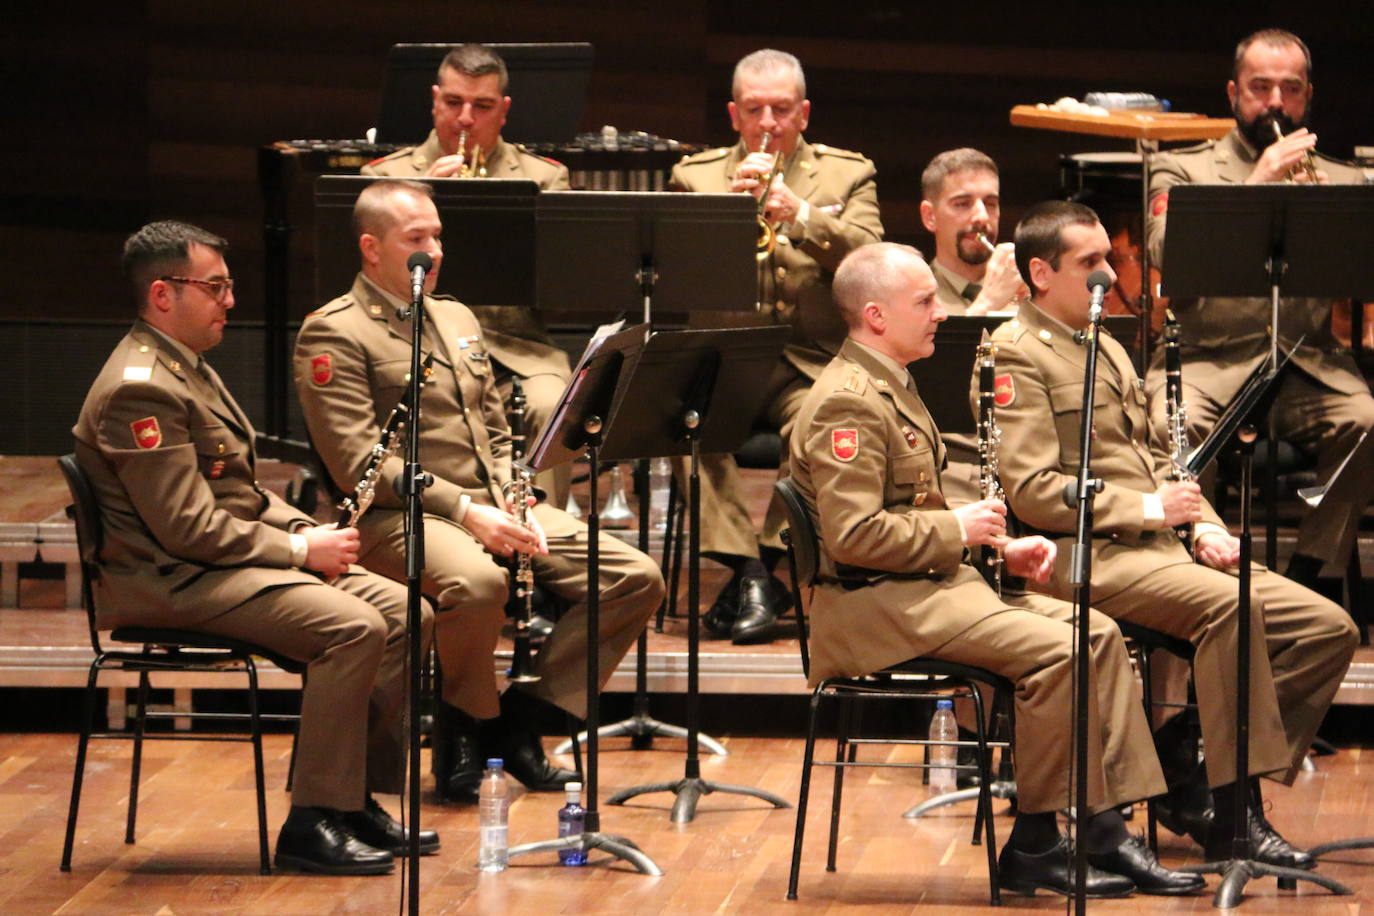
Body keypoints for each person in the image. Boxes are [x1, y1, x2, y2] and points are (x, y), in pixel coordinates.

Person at [790, 241, 1203, 897]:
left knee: (1094, 633)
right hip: (871, 606)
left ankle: (1100, 830)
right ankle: (1042, 839)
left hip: (919, 586)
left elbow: (909, 507)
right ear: (875, 315)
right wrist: (959, 528)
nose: (940, 315)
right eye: (924, 302)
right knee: (1059, 649)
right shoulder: (848, 402)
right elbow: (854, 537)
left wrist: (996, 545)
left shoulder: (887, 381)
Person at [986, 200, 1357, 868]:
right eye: (1089, 262)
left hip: (1161, 549)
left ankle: (1182, 750)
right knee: (1229, 608)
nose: (1109, 273)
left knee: (1328, 628)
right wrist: (1154, 512)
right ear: (1040, 272)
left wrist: (1206, 525)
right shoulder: (1013, 355)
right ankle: (1234, 814)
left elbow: (1162, 460)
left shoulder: (1106, 343)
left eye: (1108, 257)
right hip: (1084, 555)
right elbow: (1035, 491)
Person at [74, 221, 436, 875]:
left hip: (216, 562)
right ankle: (310, 823)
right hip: (169, 578)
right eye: (214, 287)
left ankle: (351, 800)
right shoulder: (139, 387)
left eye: (227, 285)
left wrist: (300, 529)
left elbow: (237, 491)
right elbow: (187, 530)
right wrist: (301, 555)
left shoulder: (186, 367)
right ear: (163, 294)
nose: (229, 301)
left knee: (408, 611)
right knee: (353, 626)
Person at [294, 180, 664, 804]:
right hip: (396, 517)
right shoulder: (334, 333)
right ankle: (468, 726)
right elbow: (362, 467)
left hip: (489, 502)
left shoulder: (456, 316)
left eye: (437, 237)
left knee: (633, 577)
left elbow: (494, 428)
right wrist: (469, 509)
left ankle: (525, 718)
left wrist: (513, 495)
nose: (434, 251)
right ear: (370, 248)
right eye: (417, 240)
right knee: (479, 582)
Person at [1145, 28, 1374, 590]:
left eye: (1290, 89)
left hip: (1307, 364)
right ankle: (1207, 566)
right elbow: (1163, 251)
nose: (1275, 102)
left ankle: (1312, 570)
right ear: (1233, 93)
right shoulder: (1184, 171)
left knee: (1367, 422)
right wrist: (1258, 183)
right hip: (1207, 358)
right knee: (1172, 425)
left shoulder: (1344, 178)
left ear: (1307, 96)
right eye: (1260, 87)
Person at [671, 48, 883, 643]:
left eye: (782, 110)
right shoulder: (696, 176)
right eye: (756, 110)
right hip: (726, 358)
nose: (769, 123)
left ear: (804, 113)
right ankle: (755, 575)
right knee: (685, 425)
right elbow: (675, 272)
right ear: (734, 114)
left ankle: (762, 563)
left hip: (809, 361)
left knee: (823, 424)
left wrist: (802, 215)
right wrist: (724, 218)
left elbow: (871, 258)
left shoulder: (847, 175)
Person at [364, 43, 575, 506]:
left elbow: (559, 296)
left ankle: (546, 547)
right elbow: (370, 287)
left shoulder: (543, 178)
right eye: (454, 103)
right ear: (434, 100)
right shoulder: (388, 178)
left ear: (503, 111)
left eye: (481, 106)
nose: (465, 119)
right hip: (418, 346)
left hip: (515, 348)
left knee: (551, 405)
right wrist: (426, 198)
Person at [920, 148, 1026, 317]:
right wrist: (987, 303)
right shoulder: (913, 298)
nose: (982, 217)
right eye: (962, 204)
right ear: (930, 216)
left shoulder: (1024, 293)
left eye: (990, 204)